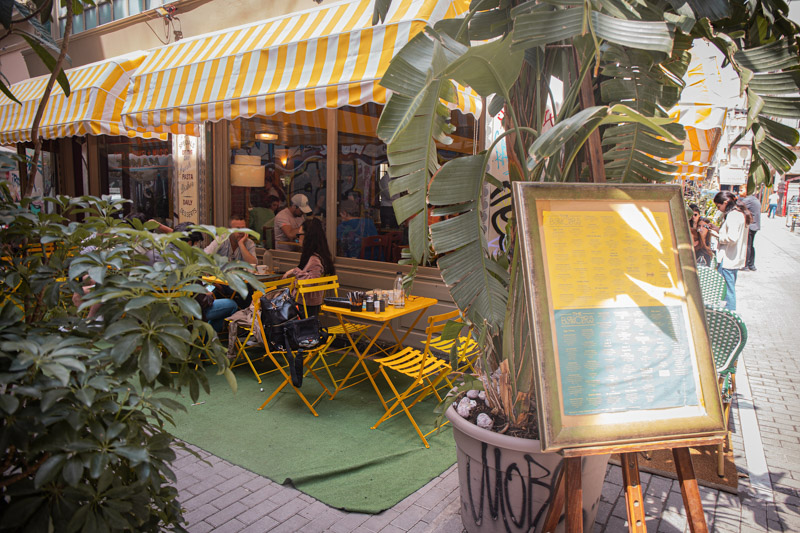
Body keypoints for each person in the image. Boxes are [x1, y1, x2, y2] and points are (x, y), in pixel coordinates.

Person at [173, 222, 238, 332]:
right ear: (189, 243)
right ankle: (208, 336)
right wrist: (209, 296)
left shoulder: (167, 257)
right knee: (232, 304)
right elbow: (202, 302)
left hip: (172, 308)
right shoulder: (189, 262)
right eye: (196, 244)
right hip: (191, 311)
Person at [282, 218, 335, 317]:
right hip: (308, 306)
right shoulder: (321, 256)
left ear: (308, 237)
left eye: (299, 235)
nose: (297, 239)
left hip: (304, 307)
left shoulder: (314, 259)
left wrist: (295, 271)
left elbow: (312, 282)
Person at [711, 191, 751, 311]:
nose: (719, 209)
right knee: (728, 289)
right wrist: (718, 230)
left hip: (728, 259)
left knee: (728, 291)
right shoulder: (739, 213)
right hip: (732, 259)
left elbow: (732, 237)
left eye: (719, 206)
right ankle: (729, 315)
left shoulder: (733, 215)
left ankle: (730, 316)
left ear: (725, 202)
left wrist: (716, 235)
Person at [739, 190, 761, 271]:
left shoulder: (748, 200)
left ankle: (746, 265)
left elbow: (739, 206)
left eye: (741, 190)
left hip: (751, 225)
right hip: (755, 225)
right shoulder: (755, 199)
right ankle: (751, 265)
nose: (739, 192)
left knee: (747, 245)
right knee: (750, 245)